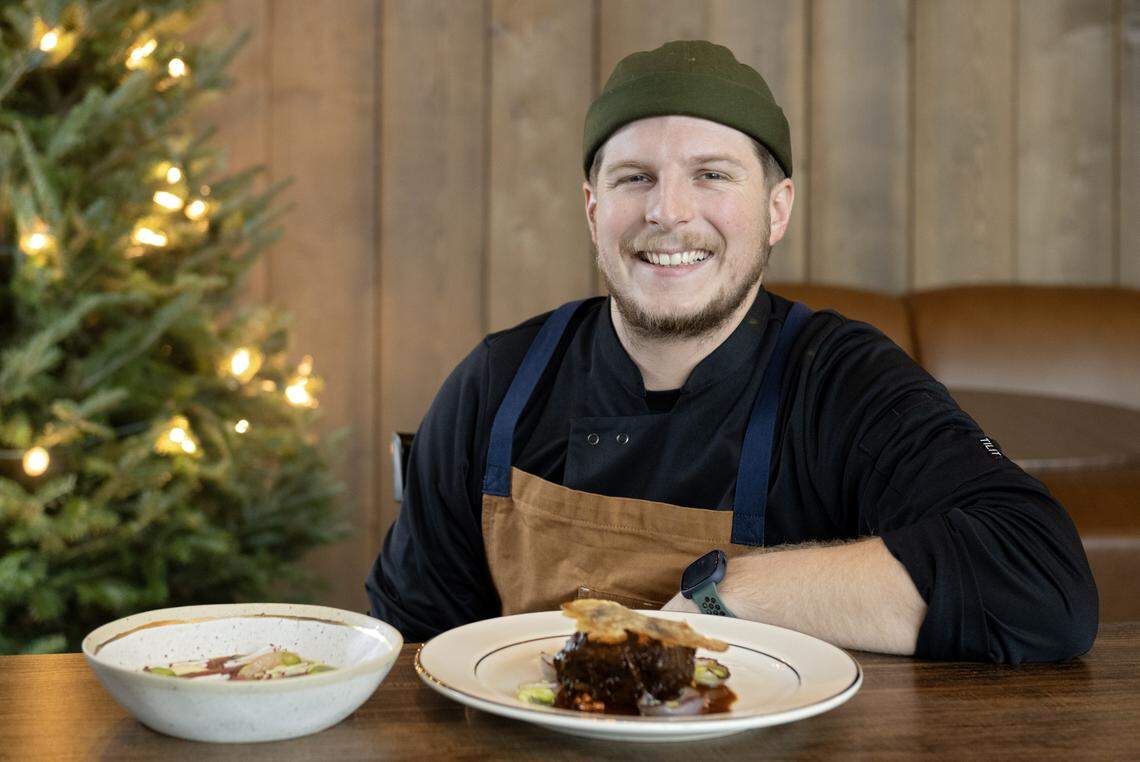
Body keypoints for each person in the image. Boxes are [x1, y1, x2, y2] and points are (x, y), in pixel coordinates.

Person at [365, 40, 1098, 664]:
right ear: (593, 210)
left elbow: (1040, 580)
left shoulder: (841, 382)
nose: (668, 211)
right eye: (634, 178)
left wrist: (729, 594)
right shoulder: (499, 383)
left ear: (776, 211)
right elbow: (412, 645)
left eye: (711, 174)